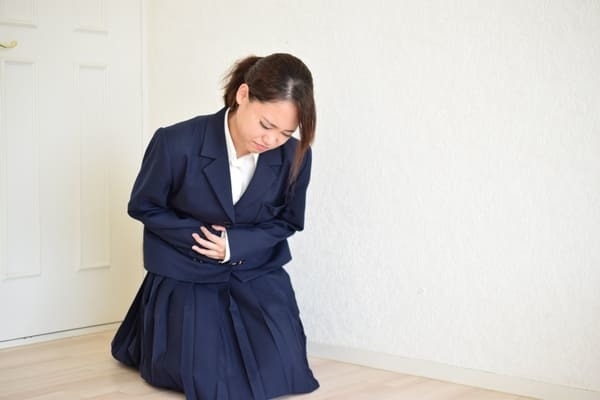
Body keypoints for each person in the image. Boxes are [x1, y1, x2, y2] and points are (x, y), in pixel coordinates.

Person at [111, 53, 320, 400]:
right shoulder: (176, 142)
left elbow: (288, 220)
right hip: (188, 269)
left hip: (253, 270)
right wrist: (203, 240)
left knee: (284, 373)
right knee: (206, 376)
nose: (271, 141)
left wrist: (235, 245)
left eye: (285, 133)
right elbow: (143, 205)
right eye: (266, 125)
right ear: (242, 95)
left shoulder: (295, 155)